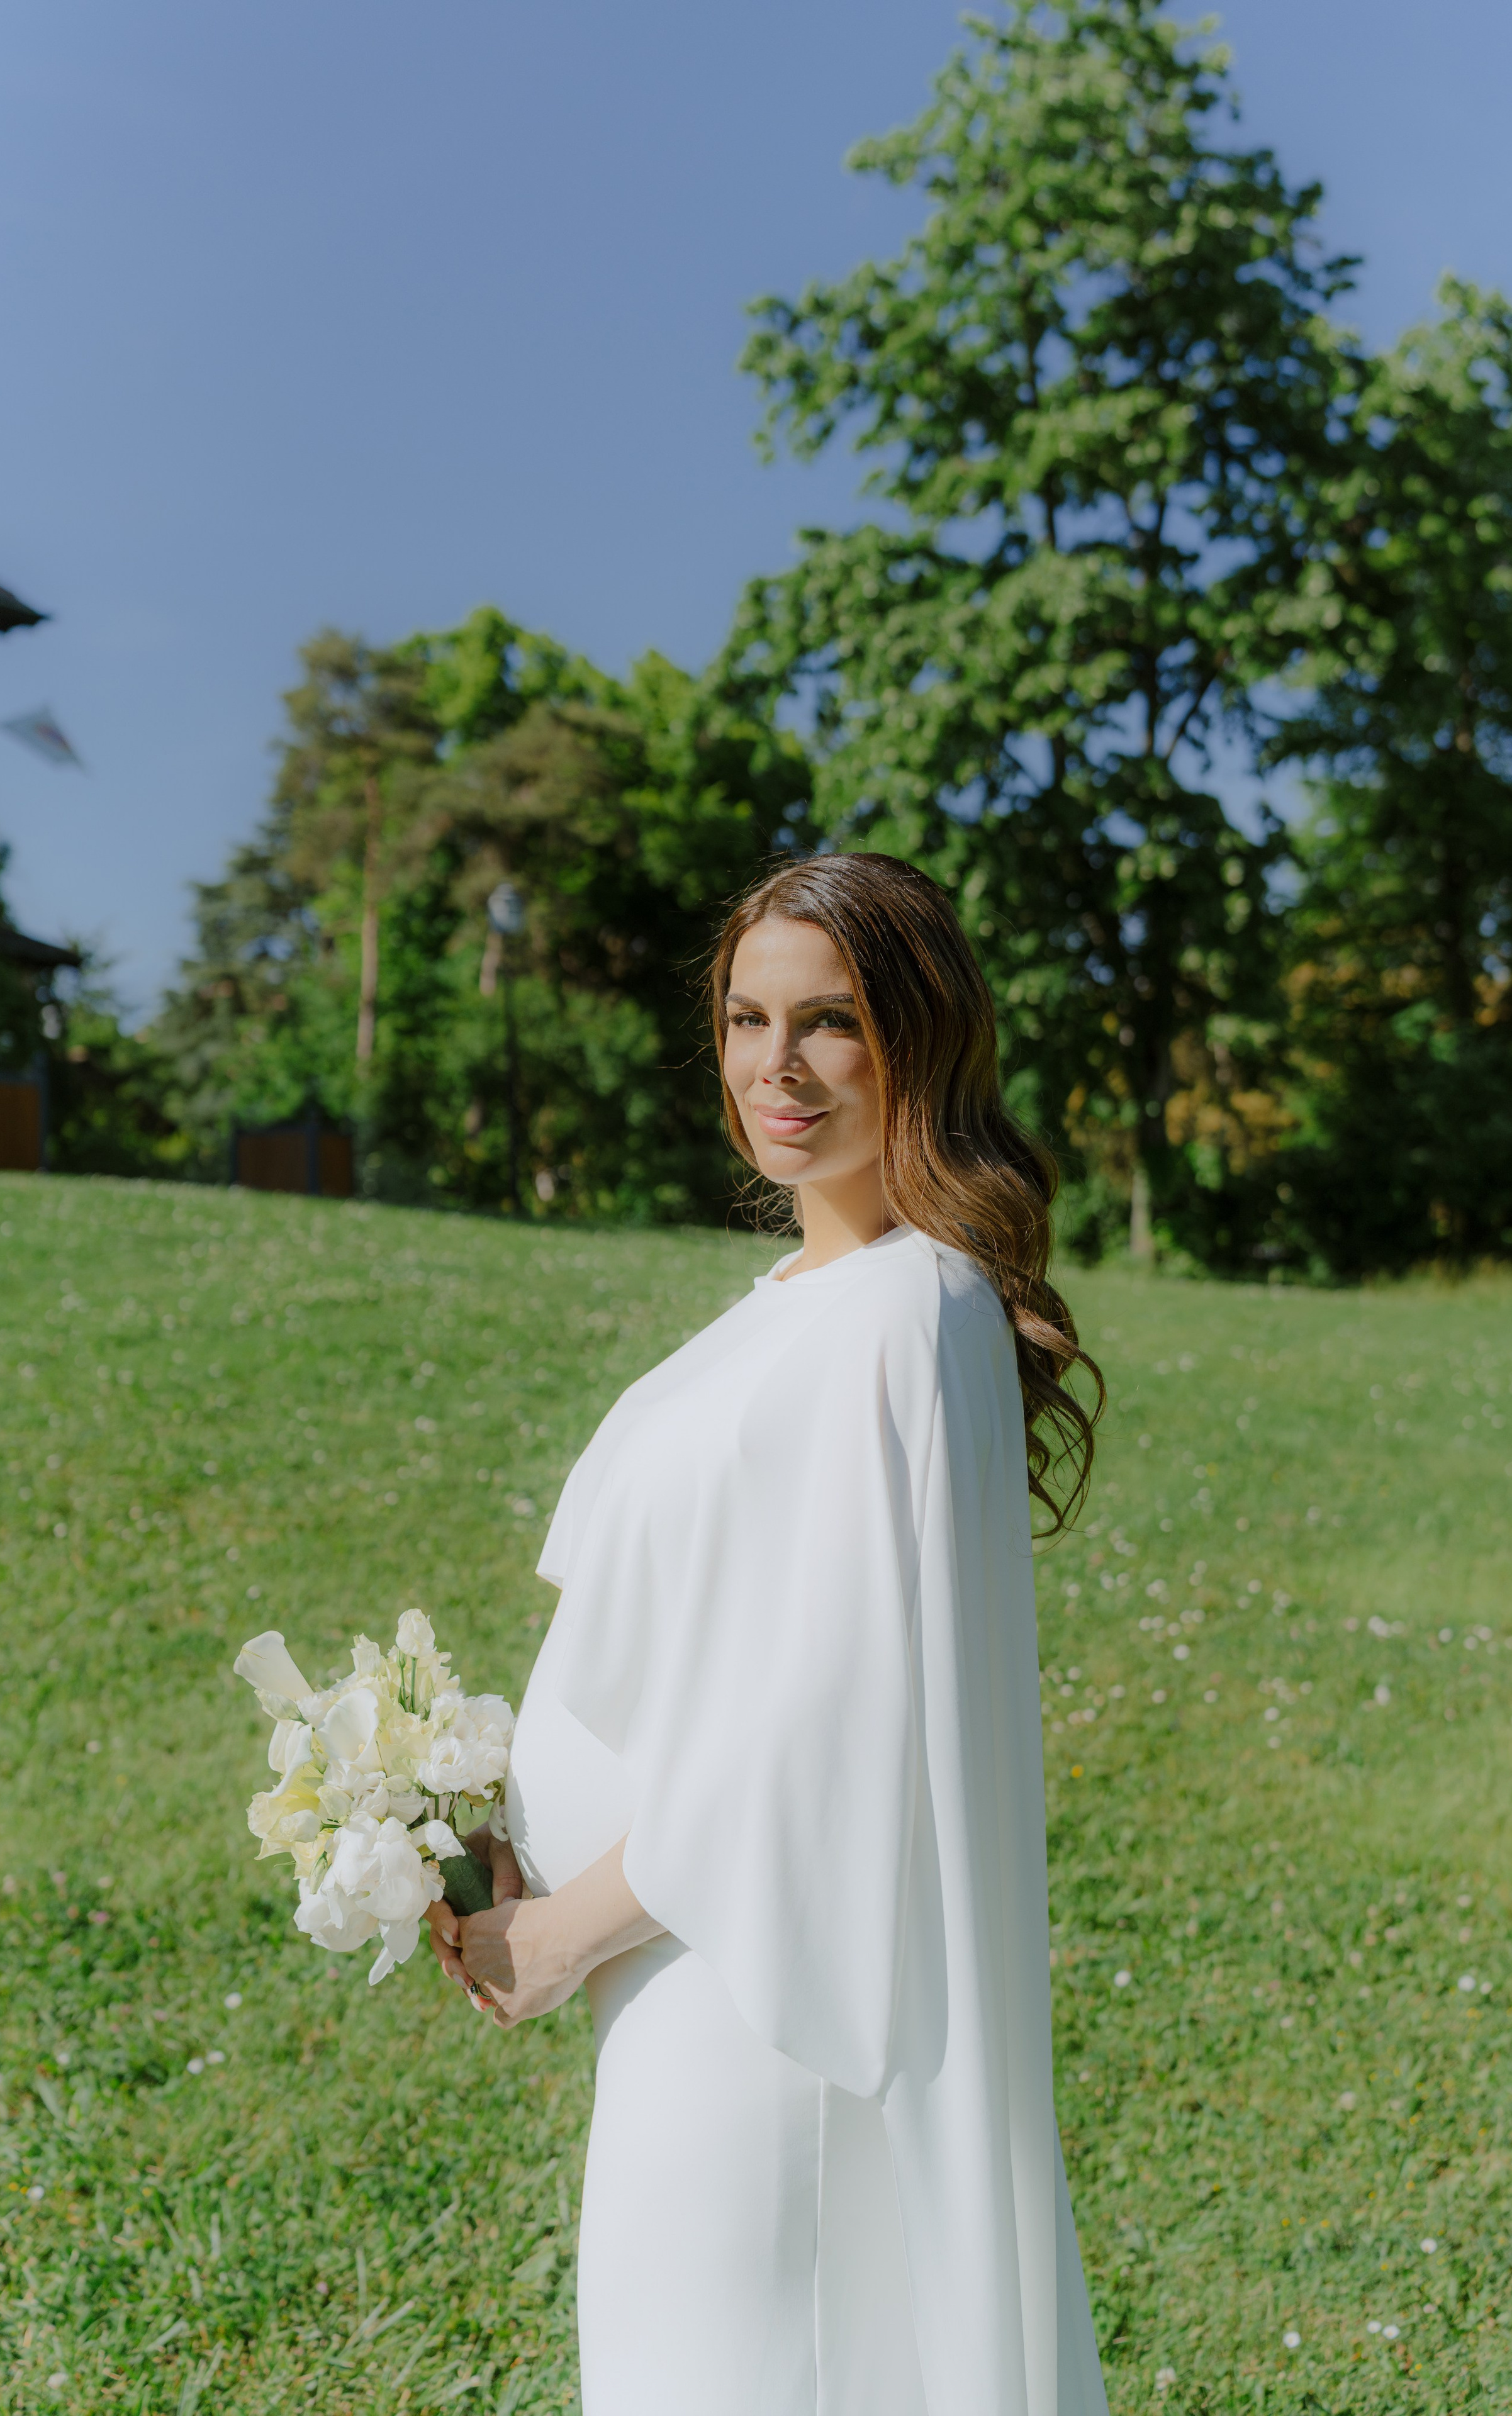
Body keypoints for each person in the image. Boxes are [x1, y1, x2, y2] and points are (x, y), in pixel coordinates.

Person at [427, 853, 1111, 2415]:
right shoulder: (793, 1303)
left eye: (832, 1024)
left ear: (917, 1043)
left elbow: (824, 1726)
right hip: (676, 1982)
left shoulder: (910, 1308)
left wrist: (562, 1929)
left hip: (764, 2000)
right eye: (747, 1018)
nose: (775, 1067)